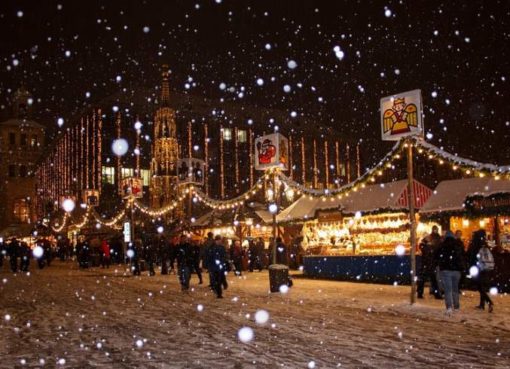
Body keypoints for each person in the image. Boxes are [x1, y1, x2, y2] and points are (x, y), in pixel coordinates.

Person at [434, 230, 466, 315]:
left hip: (446, 270)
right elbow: (462, 256)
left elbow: (435, 256)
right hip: (456, 271)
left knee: (448, 290)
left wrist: (439, 264)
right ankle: (456, 307)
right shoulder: (458, 245)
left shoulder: (442, 245)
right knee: (455, 289)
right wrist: (462, 267)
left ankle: (449, 308)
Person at [468, 230, 495, 312]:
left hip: (478, 268)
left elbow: (472, 256)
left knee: (479, 287)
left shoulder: (476, 244)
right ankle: (482, 304)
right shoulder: (484, 244)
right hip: (485, 267)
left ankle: (489, 302)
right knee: (482, 286)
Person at [417, 226, 442, 299]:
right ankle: (420, 293)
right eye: (427, 237)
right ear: (425, 238)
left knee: (432, 280)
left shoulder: (428, 245)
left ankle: (436, 294)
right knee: (426, 280)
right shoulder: (424, 245)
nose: (429, 238)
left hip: (429, 264)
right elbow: (428, 253)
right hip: (427, 264)